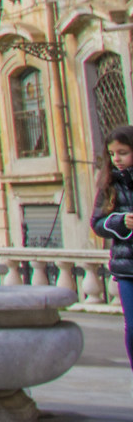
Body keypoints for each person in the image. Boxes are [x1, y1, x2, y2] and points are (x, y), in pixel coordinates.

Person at [92, 124, 133, 369]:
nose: (117, 158)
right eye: (112, 153)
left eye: (123, 152)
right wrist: (120, 222)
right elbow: (96, 223)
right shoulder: (108, 184)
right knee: (132, 326)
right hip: (126, 268)